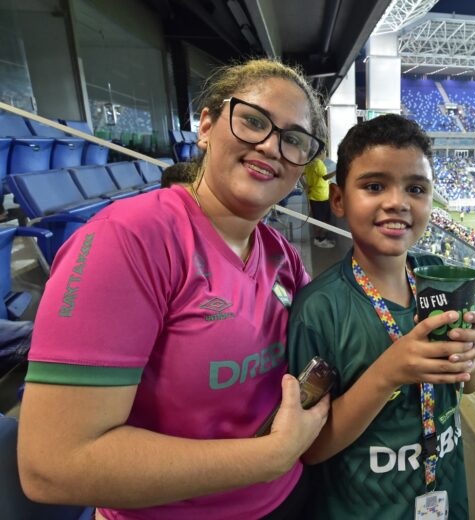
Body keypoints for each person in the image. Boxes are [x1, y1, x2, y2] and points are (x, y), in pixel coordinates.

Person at [17, 59, 331, 520]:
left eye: (294, 140)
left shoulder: (281, 254)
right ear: (206, 126)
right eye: (253, 121)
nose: (270, 146)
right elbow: (53, 464)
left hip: (289, 501)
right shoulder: (129, 239)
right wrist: (267, 459)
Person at [287, 114, 475, 519]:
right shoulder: (319, 310)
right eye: (375, 186)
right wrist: (389, 373)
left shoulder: (439, 276)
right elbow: (309, 448)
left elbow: (471, 385)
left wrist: (471, 356)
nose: (397, 202)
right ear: (339, 199)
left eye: (416, 188)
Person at [303, 157, 336, 248]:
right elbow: (325, 177)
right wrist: (337, 171)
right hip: (321, 197)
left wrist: (305, 185)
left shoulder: (309, 163)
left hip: (313, 196)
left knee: (318, 219)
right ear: (321, 152)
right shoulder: (318, 163)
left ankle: (318, 239)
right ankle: (320, 239)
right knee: (325, 220)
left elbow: (300, 174)